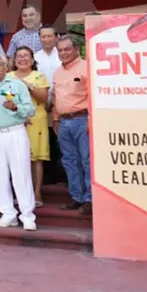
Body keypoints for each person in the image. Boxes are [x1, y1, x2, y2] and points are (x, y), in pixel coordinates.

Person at [0, 53, 37, 230]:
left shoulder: (17, 84)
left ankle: (27, 215)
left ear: (5, 67)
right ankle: (8, 213)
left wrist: (15, 106)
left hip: (15, 131)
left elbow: (30, 110)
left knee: (21, 174)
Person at [52, 35, 91, 216]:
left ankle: (90, 199)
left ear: (76, 49)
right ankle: (77, 197)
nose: (63, 53)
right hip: (64, 122)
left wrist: (91, 119)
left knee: (86, 160)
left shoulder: (86, 67)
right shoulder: (57, 72)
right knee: (69, 160)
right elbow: (55, 97)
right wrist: (56, 119)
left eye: (67, 49)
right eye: (60, 50)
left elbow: (93, 95)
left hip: (82, 119)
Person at [8, 46, 50, 207]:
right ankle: (20, 193)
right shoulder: (8, 76)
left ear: (32, 60)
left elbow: (43, 99)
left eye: (26, 56)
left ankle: (37, 193)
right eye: (19, 56)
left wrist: (27, 85)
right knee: (17, 158)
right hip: (14, 120)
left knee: (36, 158)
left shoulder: (39, 76)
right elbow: (5, 97)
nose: (22, 59)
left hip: (36, 120)